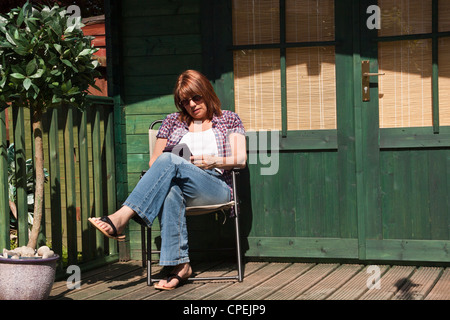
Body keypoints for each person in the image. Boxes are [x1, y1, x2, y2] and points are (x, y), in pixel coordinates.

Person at [88, 70, 247, 290]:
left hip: (215, 185)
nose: (191, 104)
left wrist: (213, 161)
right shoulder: (173, 121)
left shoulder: (228, 118)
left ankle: (122, 217)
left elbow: (241, 159)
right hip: (179, 181)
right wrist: (181, 163)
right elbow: (155, 162)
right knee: (171, 189)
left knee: (170, 160)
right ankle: (181, 266)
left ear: (207, 92)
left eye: (196, 97)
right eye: (185, 101)